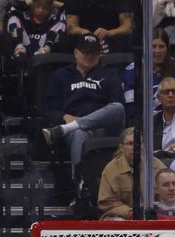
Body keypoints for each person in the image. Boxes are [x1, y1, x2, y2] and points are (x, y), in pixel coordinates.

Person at [42, 34, 125, 178]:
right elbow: (50, 109)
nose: (90, 55)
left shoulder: (110, 74)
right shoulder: (61, 75)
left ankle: (72, 126)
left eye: (94, 52)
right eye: (85, 52)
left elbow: (117, 106)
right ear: (75, 52)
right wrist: (65, 117)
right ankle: (79, 186)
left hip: (104, 127)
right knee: (79, 133)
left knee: (118, 107)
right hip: (76, 129)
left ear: (100, 55)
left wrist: (78, 123)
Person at [123, 27, 175, 116]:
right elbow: (131, 108)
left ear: (167, 48)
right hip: (144, 123)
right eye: (153, 46)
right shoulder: (132, 71)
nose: (157, 51)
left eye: (161, 47)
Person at [98, 127, 167, 220]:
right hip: (123, 217)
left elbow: (169, 193)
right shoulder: (111, 170)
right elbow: (107, 203)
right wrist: (131, 213)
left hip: (154, 215)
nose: (135, 147)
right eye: (130, 144)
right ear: (121, 148)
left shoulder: (156, 165)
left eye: (139, 142)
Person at [64, 0, 133, 54]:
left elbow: (128, 27)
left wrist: (109, 33)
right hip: (82, 41)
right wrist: (87, 33)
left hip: (113, 40)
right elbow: (71, 28)